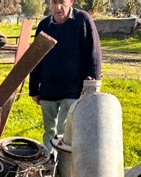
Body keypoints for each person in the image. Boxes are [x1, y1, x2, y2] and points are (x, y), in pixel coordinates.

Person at [29, 0, 101, 159]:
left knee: (63, 132)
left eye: (61, 2)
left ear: (71, 2)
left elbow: (93, 53)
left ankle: (62, 169)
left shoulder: (82, 20)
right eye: (53, 3)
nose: (57, 7)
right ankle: (48, 164)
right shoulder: (44, 26)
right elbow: (35, 59)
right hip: (48, 89)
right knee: (49, 131)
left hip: (72, 89)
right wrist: (34, 88)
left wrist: (92, 84)